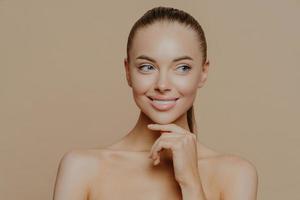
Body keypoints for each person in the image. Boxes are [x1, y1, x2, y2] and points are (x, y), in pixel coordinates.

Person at [53, 6, 258, 200]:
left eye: (183, 67)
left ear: (203, 73)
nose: (162, 84)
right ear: (128, 71)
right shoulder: (81, 168)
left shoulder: (235, 174)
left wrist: (191, 183)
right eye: (147, 67)